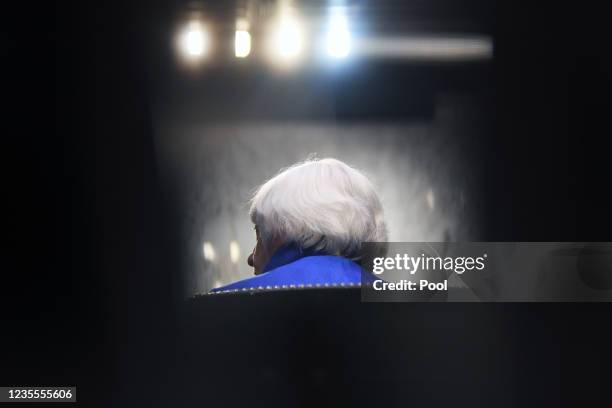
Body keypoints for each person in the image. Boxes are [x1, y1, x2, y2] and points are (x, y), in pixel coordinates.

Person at [209, 157, 387, 294]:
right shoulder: (405, 303)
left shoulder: (221, 304)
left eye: (259, 234)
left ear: (283, 230)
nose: (250, 259)